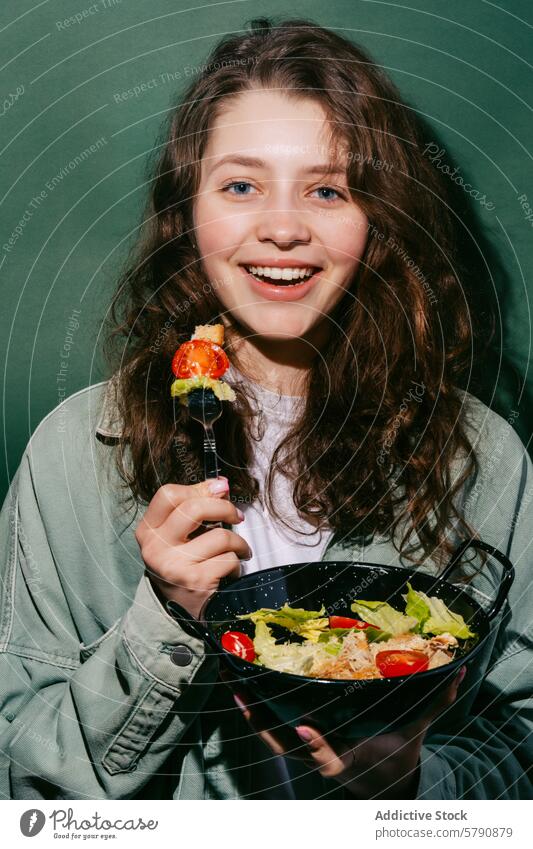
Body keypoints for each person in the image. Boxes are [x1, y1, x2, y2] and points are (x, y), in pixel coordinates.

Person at [0, 17, 532, 801]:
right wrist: (165, 621)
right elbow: (25, 784)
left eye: (326, 189)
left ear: (376, 221)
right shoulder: (74, 452)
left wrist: (415, 778)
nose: (282, 227)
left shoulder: (480, 455)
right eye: (241, 185)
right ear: (189, 212)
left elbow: (518, 747)